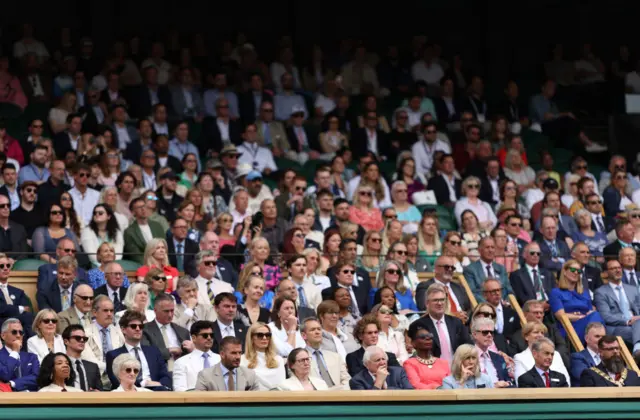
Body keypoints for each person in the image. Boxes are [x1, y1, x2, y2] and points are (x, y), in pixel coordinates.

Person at [106, 310, 172, 391]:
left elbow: (165, 375)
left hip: (157, 391)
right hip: (129, 394)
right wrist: (143, 383)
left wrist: (159, 384)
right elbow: (116, 381)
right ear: (123, 329)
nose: (138, 329)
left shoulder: (153, 351)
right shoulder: (114, 355)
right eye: (133, 326)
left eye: (140, 326)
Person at [550, 259, 604, 343]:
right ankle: (599, 344)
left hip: (587, 326)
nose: (576, 273)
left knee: (596, 316)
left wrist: (583, 316)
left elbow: (590, 312)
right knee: (596, 317)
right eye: (572, 270)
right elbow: (561, 316)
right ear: (564, 271)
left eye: (579, 271)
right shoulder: (556, 292)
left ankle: (597, 343)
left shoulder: (585, 293)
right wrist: (580, 317)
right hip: (569, 329)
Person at [594, 259, 640, 354]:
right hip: (617, 326)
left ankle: (637, 347)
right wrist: (627, 321)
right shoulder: (600, 292)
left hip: (637, 323)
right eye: (613, 268)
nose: (618, 270)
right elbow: (605, 316)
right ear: (606, 273)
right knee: (631, 331)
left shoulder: (633, 289)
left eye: (619, 267)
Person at [142, 293, 193, 372]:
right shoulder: (145, 329)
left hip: (182, 372)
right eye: (166, 311)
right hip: (157, 373)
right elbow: (147, 353)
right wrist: (171, 350)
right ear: (155, 310)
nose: (170, 314)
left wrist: (191, 350)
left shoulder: (183, 331)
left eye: (172, 310)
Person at [514, 321, 570, 386]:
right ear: (526, 336)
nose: (540, 335)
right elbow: (521, 382)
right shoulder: (519, 357)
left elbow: (566, 380)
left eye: (542, 333)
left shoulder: (556, 354)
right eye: (536, 332)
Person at [301, 318, 351, 390]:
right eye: (313, 330)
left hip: (340, 397)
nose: (317, 332)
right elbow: (302, 384)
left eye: (319, 329)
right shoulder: (299, 359)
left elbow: (347, 380)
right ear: (304, 335)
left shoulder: (335, 357)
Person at [195, 336, 259, 391]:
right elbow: (199, 402)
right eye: (233, 353)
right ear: (222, 354)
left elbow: (258, 400)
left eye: (240, 353)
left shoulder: (250, 375)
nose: (238, 357)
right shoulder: (205, 376)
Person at [172, 321, 221, 392]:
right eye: (205, 335)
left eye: (211, 335)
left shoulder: (221, 359)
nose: (209, 338)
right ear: (194, 338)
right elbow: (179, 390)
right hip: (193, 401)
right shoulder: (181, 362)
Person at [403, 321, 450, 389]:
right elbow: (416, 384)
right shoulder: (409, 363)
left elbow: (451, 383)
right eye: (422, 337)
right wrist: (437, 388)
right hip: (424, 398)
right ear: (413, 343)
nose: (428, 338)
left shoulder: (443, 362)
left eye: (430, 336)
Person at [240, 322, 286, 390]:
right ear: (251, 338)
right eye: (260, 335)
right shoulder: (242, 360)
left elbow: (282, 384)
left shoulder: (278, 360)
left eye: (267, 335)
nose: (264, 338)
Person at [0, 318, 39, 391]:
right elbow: (5, 375)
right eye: (14, 332)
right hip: (7, 398)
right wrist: (15, 352)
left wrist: (13, 383)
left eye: (21, 333)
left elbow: (37, 378)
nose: (18, 335)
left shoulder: (31, 357)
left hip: (31, 398)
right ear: (3, 336)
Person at [61, 324, 102, 391]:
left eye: (85, 339)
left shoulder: (93, 367)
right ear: (66, 341)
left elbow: (101, 391)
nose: (82, 340)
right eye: (78, 338)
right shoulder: (58, 365)